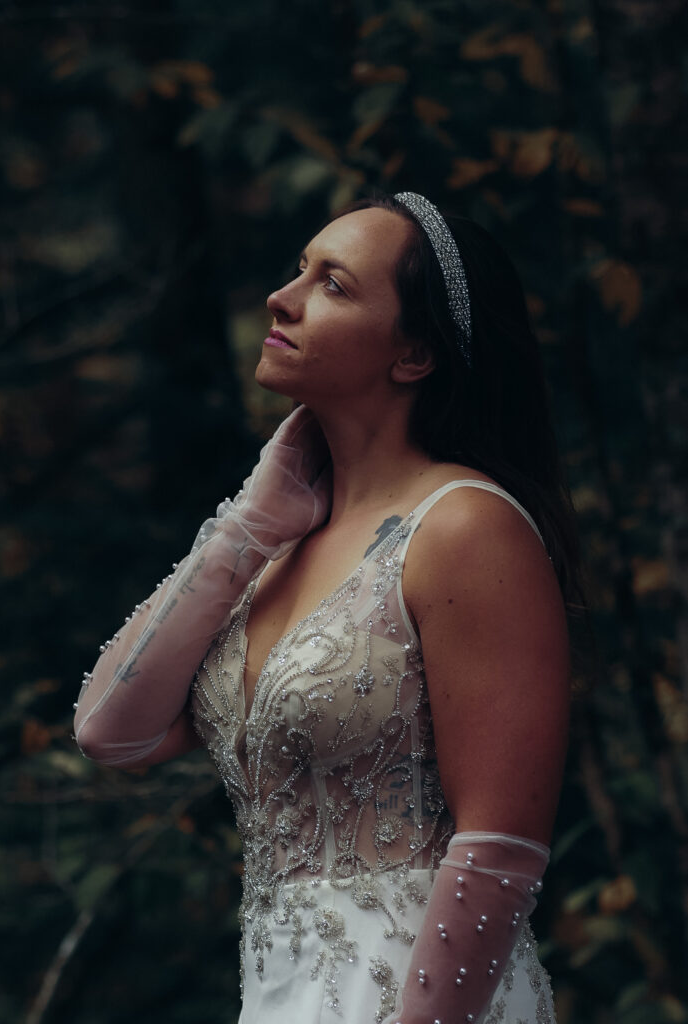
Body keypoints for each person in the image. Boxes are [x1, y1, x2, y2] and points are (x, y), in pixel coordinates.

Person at [74, 191, 578, 1024]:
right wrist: (246, 527)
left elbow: (500, 853)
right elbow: (111, 731)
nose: (284, 296)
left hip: (427, 996)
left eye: (333, 285)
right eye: (299, 270)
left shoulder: (464, 527)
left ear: (412, 354)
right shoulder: (276, 547)